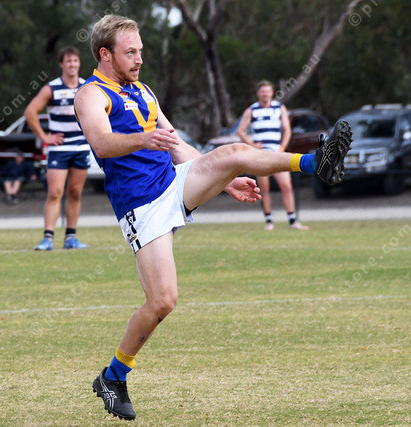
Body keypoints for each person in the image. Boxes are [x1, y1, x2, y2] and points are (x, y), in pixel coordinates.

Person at [74, 15, 352, 420]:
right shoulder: (90, 94)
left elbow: (178, 146)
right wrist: (143, 138)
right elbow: (101, 142)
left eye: (141, 51)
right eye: (130, 52)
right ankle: (113, 376)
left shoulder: (143, 91)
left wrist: (224, 181)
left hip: (172, 183)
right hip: (140, 204)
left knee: (234, 154)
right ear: (105, 54)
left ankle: (314, 162)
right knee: (163, 301)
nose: (139, 59)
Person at [24, 46, 90, 251]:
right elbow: (30, 112)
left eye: (75, 60)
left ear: (79, 63)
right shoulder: (51, 88)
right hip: (59, 150)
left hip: (81, 147)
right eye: (68, 61)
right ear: (61, 64)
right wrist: (44, 137)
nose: (72, 64)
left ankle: (71, 238)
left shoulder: (86, 87)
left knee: (75, 192)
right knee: (54, 192)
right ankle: (48, 238)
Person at [237, 80, 308, 231]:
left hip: (277, 153)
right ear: (258, 93)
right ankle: (269, 221)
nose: (265, 94)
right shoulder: (252, 110)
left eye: (267, 91)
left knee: (286, 186)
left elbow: (287, 130)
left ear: (272, 93)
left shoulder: (279, 108)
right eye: (262, 91)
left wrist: (282, 147)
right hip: (261, 155)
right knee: (264, 188)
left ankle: (293, 221)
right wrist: (252, 145)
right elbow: (240, 130)